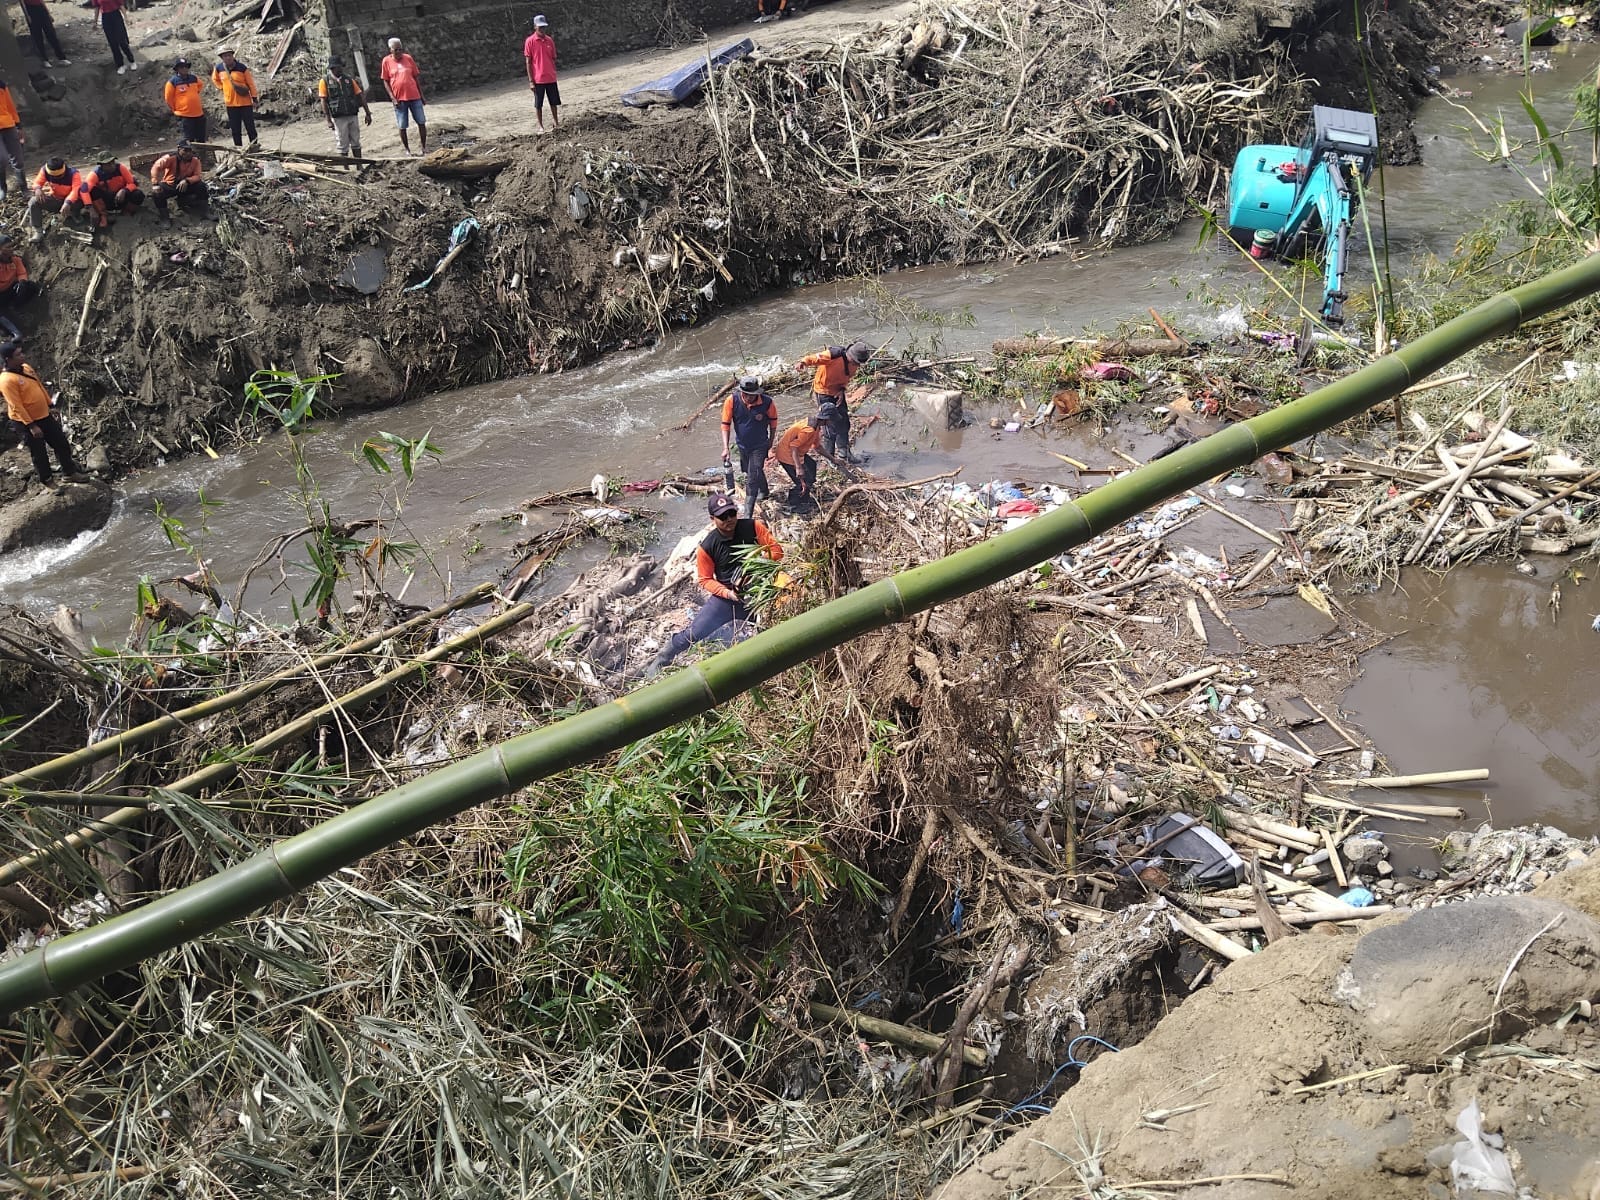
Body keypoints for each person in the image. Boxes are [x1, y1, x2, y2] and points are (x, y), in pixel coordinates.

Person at [646, 492, 783, 675]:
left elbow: (777, 550)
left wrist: (761, 561)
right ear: (712, 519)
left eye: (732, 513)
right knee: (695, 632)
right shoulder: (708, 546)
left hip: (760, 591)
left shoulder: (753, 526)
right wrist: (728, 593)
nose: (729, 519)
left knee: (776, 623)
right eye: (723, 516)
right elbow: (705, 579)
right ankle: (662, 658)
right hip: (728, 597)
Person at [1, 341, 82, 488]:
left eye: (21, 352)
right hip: (26, 422)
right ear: (8, 359)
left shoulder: (26, 368)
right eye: (18, 354)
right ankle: (48, 481)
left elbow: (39, 386)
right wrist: (32, 426)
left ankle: (69, 473)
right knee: (39, 453)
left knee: (61, 443)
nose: (22, 356)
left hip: (44, 415)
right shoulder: (6, 380)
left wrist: (50, 405)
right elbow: (16, 406)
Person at [796, 340, 871, 462]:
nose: (857, 365)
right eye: (855, 362)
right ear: (850, 355)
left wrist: (842, 390)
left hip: (837, 391)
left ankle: (844, 453)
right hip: (823, 392)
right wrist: (803, 362)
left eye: (858, 363)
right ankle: (829, 458)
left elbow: (846, 378)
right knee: (829, 426)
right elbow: (815, 358)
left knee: (844, 422)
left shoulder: (854, 364)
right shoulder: (833, 354)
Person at [720, 375, 778, 518]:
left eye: (752, 395)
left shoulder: (767, 402)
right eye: (746, 394)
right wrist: (726, 447)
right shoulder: (732, 401)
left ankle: (747, 516)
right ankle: (764, 490)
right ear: (741, 392)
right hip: (742, 444)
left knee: (752, 479)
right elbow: (725, 425)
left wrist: (770, 443)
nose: (749, 397)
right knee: (750, 470)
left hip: (760, 445)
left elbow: (773, 424)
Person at [770, 412, 839, 507]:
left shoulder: (815, 426)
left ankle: (806, 493)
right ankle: (795, 504)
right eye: (831, 420)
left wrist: (833, 459)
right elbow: (793, 447)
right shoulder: (809, 430)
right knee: (803, 482)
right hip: (787, 455)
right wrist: (798, 468)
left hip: (796, 452)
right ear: (825, 419)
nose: (832, 422)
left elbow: (818, 447)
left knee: (811, 465)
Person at [379, 37, 427, 155]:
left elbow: (415, 77)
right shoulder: (386, 61)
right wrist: (392, 98)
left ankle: (424, 147)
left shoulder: (408, 58)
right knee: (402, 125)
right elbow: (385, 81)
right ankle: (407, 150)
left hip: (414, 96)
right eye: (396, 50)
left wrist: (422, 96)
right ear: (390, 50)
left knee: (421, 121)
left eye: (400, 49)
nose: (399, 52)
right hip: (399, 99)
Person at [318, 55, 372, 158]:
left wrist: (367, 113)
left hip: (352, 114)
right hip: (338, 117)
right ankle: (345, 165)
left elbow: (360, 95)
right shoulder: (324, 81)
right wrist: (328, 120)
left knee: (356, 140)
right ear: (332, 68)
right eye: (338, 67)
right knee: (342, 143)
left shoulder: (349, 79)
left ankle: (358, 163)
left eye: (340, 67)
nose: (340, 69)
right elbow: (323, 101)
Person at [211, 47, 259, 151]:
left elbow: (251, 84)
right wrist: (222, 88)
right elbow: (215, 79)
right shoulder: (219, 68)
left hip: (245, 103)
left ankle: (254, 147)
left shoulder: (242, 68)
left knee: (250, 127)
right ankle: (238, 149)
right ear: (222, 58)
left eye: (229, 55)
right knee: (235, 129)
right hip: (231, 104)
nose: (228, 58)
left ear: (233, 56)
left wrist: (254, 99)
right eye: (225, 56)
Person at [149, 140, 206, 223]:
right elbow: (156, 167)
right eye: (185, 150)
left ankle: (205, 212)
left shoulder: (195, 160)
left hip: (185, 185)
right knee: (157, 193)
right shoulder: (170, 158)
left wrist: (187, 180)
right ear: (179, 149)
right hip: (170, 184)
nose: (188, 153)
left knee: (201, 186)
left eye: (190, 150)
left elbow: (198, 176)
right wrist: (155, 183)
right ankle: (165, 218)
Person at [27, 158, 84, 237]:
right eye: (53, 176)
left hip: (73, 202)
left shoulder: (73, 174)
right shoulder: (45, 170)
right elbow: (37, 182)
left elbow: (76, 191)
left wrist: (67, 202)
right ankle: (38, 231)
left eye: (59, 176)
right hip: (56, 199)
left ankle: (75, 213)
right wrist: (37, 189)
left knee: (80, 200)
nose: (57, 178)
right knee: (34, 201)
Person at [79, 158, 143, 226]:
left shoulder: (121, 168)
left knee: (138, 194)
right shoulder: (95, 174)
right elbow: (84, 190)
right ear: (102, 165)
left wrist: (124, 190)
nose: (112, 165)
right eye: (108, 164)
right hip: (106, 199)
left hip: (121, 197)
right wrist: (91, 209)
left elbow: (132, 183)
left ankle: (126, 212)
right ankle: (103, 215)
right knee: (93, 191)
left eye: (113, 162)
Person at [523, 15, 559, 132]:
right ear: (535, 27)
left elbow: (553, 57)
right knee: (538, 104)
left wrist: (552, 71)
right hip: (538, 79)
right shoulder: (530, 41)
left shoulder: (549, 40)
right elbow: (528, 62)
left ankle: (556, 122)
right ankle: (540, 126)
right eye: (540, 27)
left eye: (544, 27)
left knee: (554, 102)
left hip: (550, 77)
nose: (542, 29)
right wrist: (531, 81)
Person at [164, 56, 207, 143]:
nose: (184, 69)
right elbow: (168, 98)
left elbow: (200, 85)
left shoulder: (193, 78)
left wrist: (193, 95)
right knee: (188, 140)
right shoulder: (172, 82)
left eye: (186, 66)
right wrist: (175, 109)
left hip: (198, 113)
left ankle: (201, 152)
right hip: (185, 115)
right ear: (177, 69)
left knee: (201, 139)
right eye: (181, 67)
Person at [91, 0, 137, 74]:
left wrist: (126, 17)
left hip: (116, 16)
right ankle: (120, 65)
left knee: (122, 40)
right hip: (105, 18)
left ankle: (131, 61)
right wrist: (95, 22)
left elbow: (121, 5)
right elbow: (97, 8)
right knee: (113, 43)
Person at [0, 79, 28, 202]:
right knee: (2, 159)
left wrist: (18, 125)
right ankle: (2, 188)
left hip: (8, 125)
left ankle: (24, 189)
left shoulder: (1, 85)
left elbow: (10, 106)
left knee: (18, 159)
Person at [20, 0, 70, 69]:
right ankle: (44, 60)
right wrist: (27, 16)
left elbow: (41, 1)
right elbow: (22, 2)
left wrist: (48, 13)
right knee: (38, 36)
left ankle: (61, 58)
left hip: (41, 8)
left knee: (51, 34)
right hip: (31, 9)